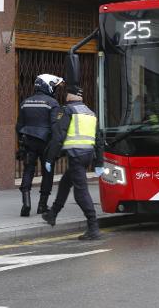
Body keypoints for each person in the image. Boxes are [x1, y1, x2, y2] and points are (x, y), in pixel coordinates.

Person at [42, 85, 105, 240]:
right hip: (87, 155)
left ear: (70, 96)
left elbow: (58, 136)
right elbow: (99, 140)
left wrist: (50, 158)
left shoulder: (67, 110)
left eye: (67, 94)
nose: (65, 97)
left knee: (80, 193)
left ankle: (93, 226)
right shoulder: (90, 113)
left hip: (76, 155)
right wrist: (99, 163)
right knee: (65, 182)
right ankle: (52, 214)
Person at [15, 74, 64, 217]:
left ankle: (26, 203)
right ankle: (42, 206)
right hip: (46, 143)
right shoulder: (52, 103)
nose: (54, 89)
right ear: (47, 85)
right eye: (53, 86)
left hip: (28, 141)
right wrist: (57, 146)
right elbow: (56, 127)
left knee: (28, 170)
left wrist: (21, 144)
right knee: (47, 173)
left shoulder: (25, 102)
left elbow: (19, 126)